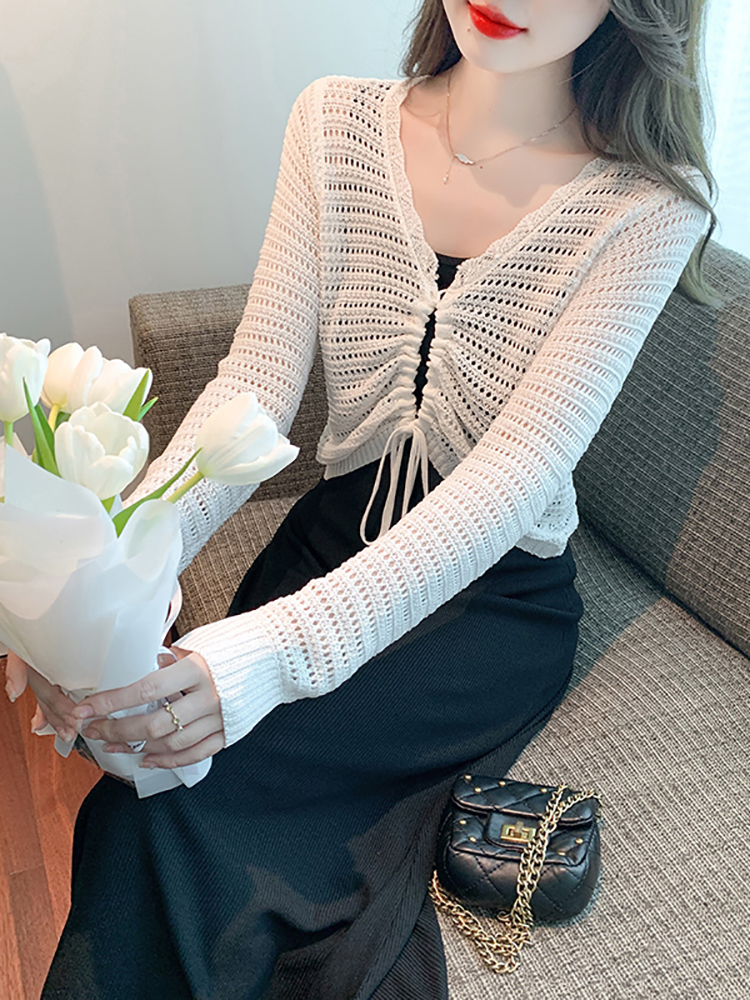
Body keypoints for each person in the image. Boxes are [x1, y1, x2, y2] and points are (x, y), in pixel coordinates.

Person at [9, 1, 719, 997]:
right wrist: (109, 574)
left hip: (489, 608)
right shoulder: (334, 122)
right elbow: (255, 384)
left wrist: (265, 658)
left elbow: (512, 477)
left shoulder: (647, 206)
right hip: (326, 545)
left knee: (175, 814)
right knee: (148, 792)